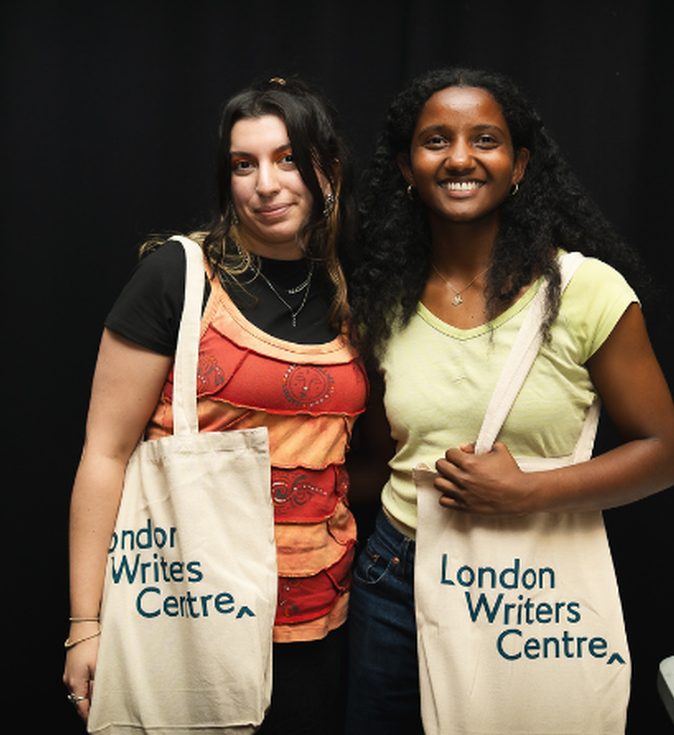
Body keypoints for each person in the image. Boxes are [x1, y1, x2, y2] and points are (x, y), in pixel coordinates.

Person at [344, 67, 674, 733]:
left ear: (517, 164)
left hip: (529, 581)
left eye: (484, 140)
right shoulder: (379, 297)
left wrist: (526, 492)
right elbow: (384, 458)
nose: (459, 157)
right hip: (394, 575)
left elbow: (664, 450)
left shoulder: (583, 291)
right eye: (434, 141)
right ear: (407, 167)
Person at [62, 76, 368, 735]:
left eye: (288, 158)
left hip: (317, 615)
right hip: (190, 607)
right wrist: (84, 625)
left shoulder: (355, 287)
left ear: (329, 169)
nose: (265, 182)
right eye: (243, 163)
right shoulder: (178, 275)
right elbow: (105, 453)